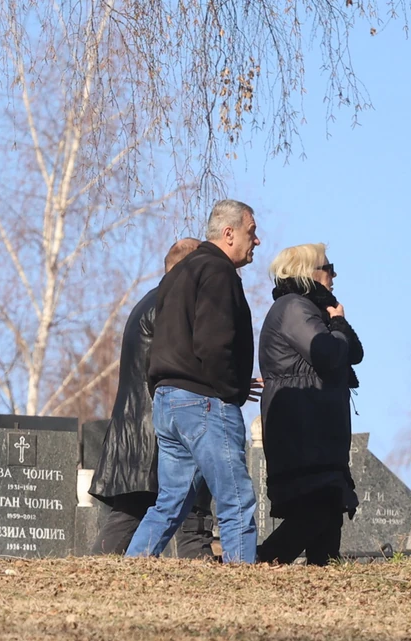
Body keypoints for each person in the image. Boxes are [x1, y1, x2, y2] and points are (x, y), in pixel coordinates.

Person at [125, 200, 262, 563]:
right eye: (251, 232)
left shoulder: (177, 275)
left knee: (170, 501)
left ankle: (132, 568)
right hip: (204, 402)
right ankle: (244, 583)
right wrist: (230, 389)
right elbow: (213, 344)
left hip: (168, 401)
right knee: (236, 499)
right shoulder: (218, 271)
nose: (257, 240)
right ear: (229, 233)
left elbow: (173, 341)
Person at [88, 238, 216, 558]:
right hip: (156, 429)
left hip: (138, 429)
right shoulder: (170, 305)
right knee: (184, 516)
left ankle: (93, 570)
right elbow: (184, 365)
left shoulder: (150, 301)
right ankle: (91, 571)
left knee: (132, 514)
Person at [255, 243, 363, 566]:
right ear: (308, 273)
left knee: (328, 513)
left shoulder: (312, 310)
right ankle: (261, 564)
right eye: (328, 268)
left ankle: (325, 582)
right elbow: (327, 353)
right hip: (302, 429)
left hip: (316, 430)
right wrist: (339, 325)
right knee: (317, 509)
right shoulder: (293, 308)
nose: (334, 275)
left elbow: (354, 353)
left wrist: (338, 324)